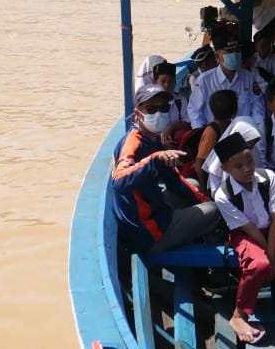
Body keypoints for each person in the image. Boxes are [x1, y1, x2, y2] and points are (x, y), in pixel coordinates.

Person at [212, 133, 275, 344]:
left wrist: (272, 254)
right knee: (259, 264)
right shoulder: (223, 195)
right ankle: (239, 315)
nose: (247, 169)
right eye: (238, 166)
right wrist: (272, 260)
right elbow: (249, 228)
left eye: (250, 161)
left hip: (274, 229)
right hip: (246, 235)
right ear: (225, 169)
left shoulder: (268, 177)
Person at [111, 84, 221, 255]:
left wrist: (203, 199)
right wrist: (154, 159)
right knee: (214, 211)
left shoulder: (153, 140)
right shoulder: (133, 142)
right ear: (138, 113)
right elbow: (119, 182)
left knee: (193, 185)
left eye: (163, 108)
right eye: (151, 109)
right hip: (144, 231)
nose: (158, 113)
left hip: (153, 209)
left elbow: (174, 180)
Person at [188, 27, 265, 128]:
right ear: (217, 56)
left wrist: (257, 131)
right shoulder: (204, 81)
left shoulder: (249, 77)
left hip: (244, 132)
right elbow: (194, 111)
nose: (234, 54)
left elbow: (257, 107)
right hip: (216, 133)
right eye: (229, 52)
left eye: (237, 50)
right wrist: (202, 132)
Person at [189, 89, 238, 191]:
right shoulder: (212, 132)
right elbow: (199, 165)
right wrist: (204, 190)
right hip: (209, 182)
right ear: (234, 112)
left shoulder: (230, 126)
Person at [203, 117, 261, 195]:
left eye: (254, 144)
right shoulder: (221, 161)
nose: (251, 147)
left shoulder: (253, 151)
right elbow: (216, 192)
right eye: (249, 143)